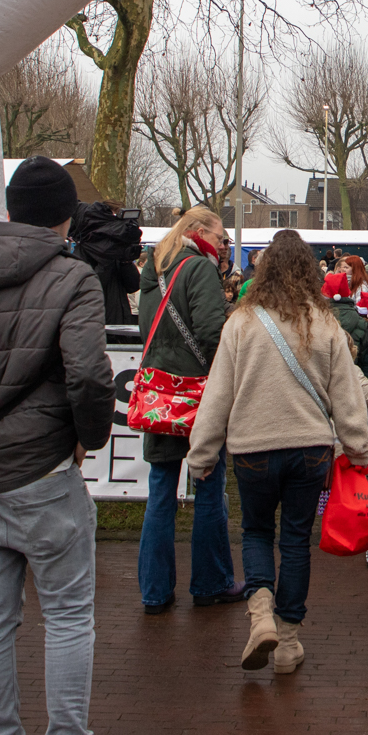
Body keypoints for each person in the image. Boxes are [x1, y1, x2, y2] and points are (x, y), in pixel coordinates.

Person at [0, 157, 134, 735]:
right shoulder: (73, 277)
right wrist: (89, 438)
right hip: (42, 468)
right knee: (65, 616)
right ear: (65, 215)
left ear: (8, 209)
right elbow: (90, 376)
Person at [186, 230, 368, 675]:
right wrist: (359, 449)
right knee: (295, 541)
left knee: (254, 532)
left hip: (252, 447)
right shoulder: (324, 322)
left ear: (264, 269)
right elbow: (346, 395)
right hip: (310, 449)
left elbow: (217, 396)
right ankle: (288, 642)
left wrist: (202, 454)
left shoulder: (240, 323)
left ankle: (260, 614)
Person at [135, 206, 243, 614]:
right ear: (198, 232)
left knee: (160, 491)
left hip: (161, 394)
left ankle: (154, 591)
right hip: (197, 395)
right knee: (210, 486)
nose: (223, 245)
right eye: (220, 237)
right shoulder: (199, 269)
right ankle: (211, 581)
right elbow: (213, 333)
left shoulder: (155, 269)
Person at [69, 201, 142, 323]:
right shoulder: (81, 253)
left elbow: (133, 286)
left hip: (120, 321)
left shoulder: (116, 251)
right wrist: (105, 259)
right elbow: (91, 287)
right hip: (94, 323)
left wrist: (126, 262)